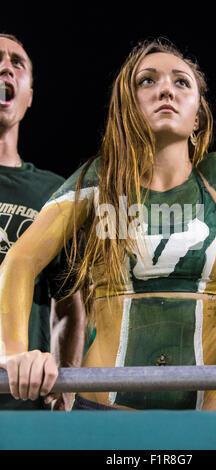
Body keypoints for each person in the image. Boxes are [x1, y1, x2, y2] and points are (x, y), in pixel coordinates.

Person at [0, 38, 216, 411]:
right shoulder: (98, 178)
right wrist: (13, 352)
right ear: (128, 107)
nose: (165, 90)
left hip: (211, 415)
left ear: (198, 116)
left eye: (181, 82)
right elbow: (20, 259)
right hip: (103, 411)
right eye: (147, 81)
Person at [0, 33, 84, 410]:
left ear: (29, 95)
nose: (6, 67)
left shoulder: (54, 192)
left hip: (21, 404)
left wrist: (64, 390)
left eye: (18, 63)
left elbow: (68, 306)